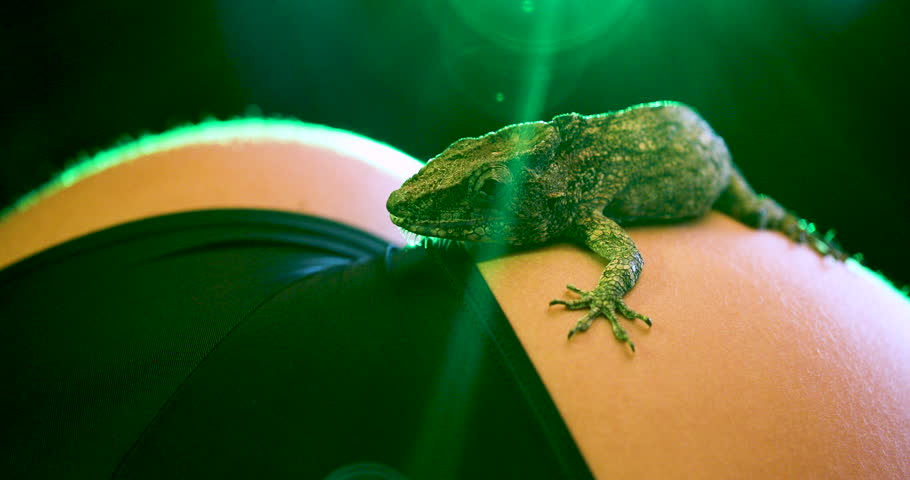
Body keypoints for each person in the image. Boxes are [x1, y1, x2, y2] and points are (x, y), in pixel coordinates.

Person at [1, 118, 907, 479]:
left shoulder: (586, 196)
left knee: (764, 214)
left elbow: (623, 260)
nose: (423, 202)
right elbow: (414, 201)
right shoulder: (550, 183)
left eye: (469, 194)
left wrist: (601, 298)